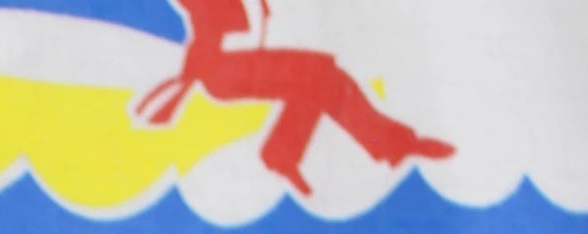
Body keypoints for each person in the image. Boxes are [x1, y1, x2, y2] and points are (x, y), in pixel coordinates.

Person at [136, 0, 454, 195]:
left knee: (322, 81)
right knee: (322, 75)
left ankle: (283, 153)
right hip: (225, 67)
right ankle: (391, 144)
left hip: (237, 61)